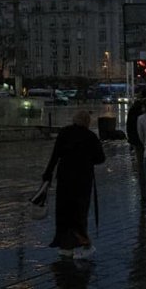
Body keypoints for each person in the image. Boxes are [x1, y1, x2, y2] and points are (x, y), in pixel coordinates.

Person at [42, 109, 105, 258]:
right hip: (83, 181)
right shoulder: (90, 136)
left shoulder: (64, 133)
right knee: (79, 213)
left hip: (64, 179)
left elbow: (55, 155)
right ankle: (81, 243)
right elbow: (101, 158)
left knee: (64, 212)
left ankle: (65, 245)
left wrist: (47, 174)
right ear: (87, 122)